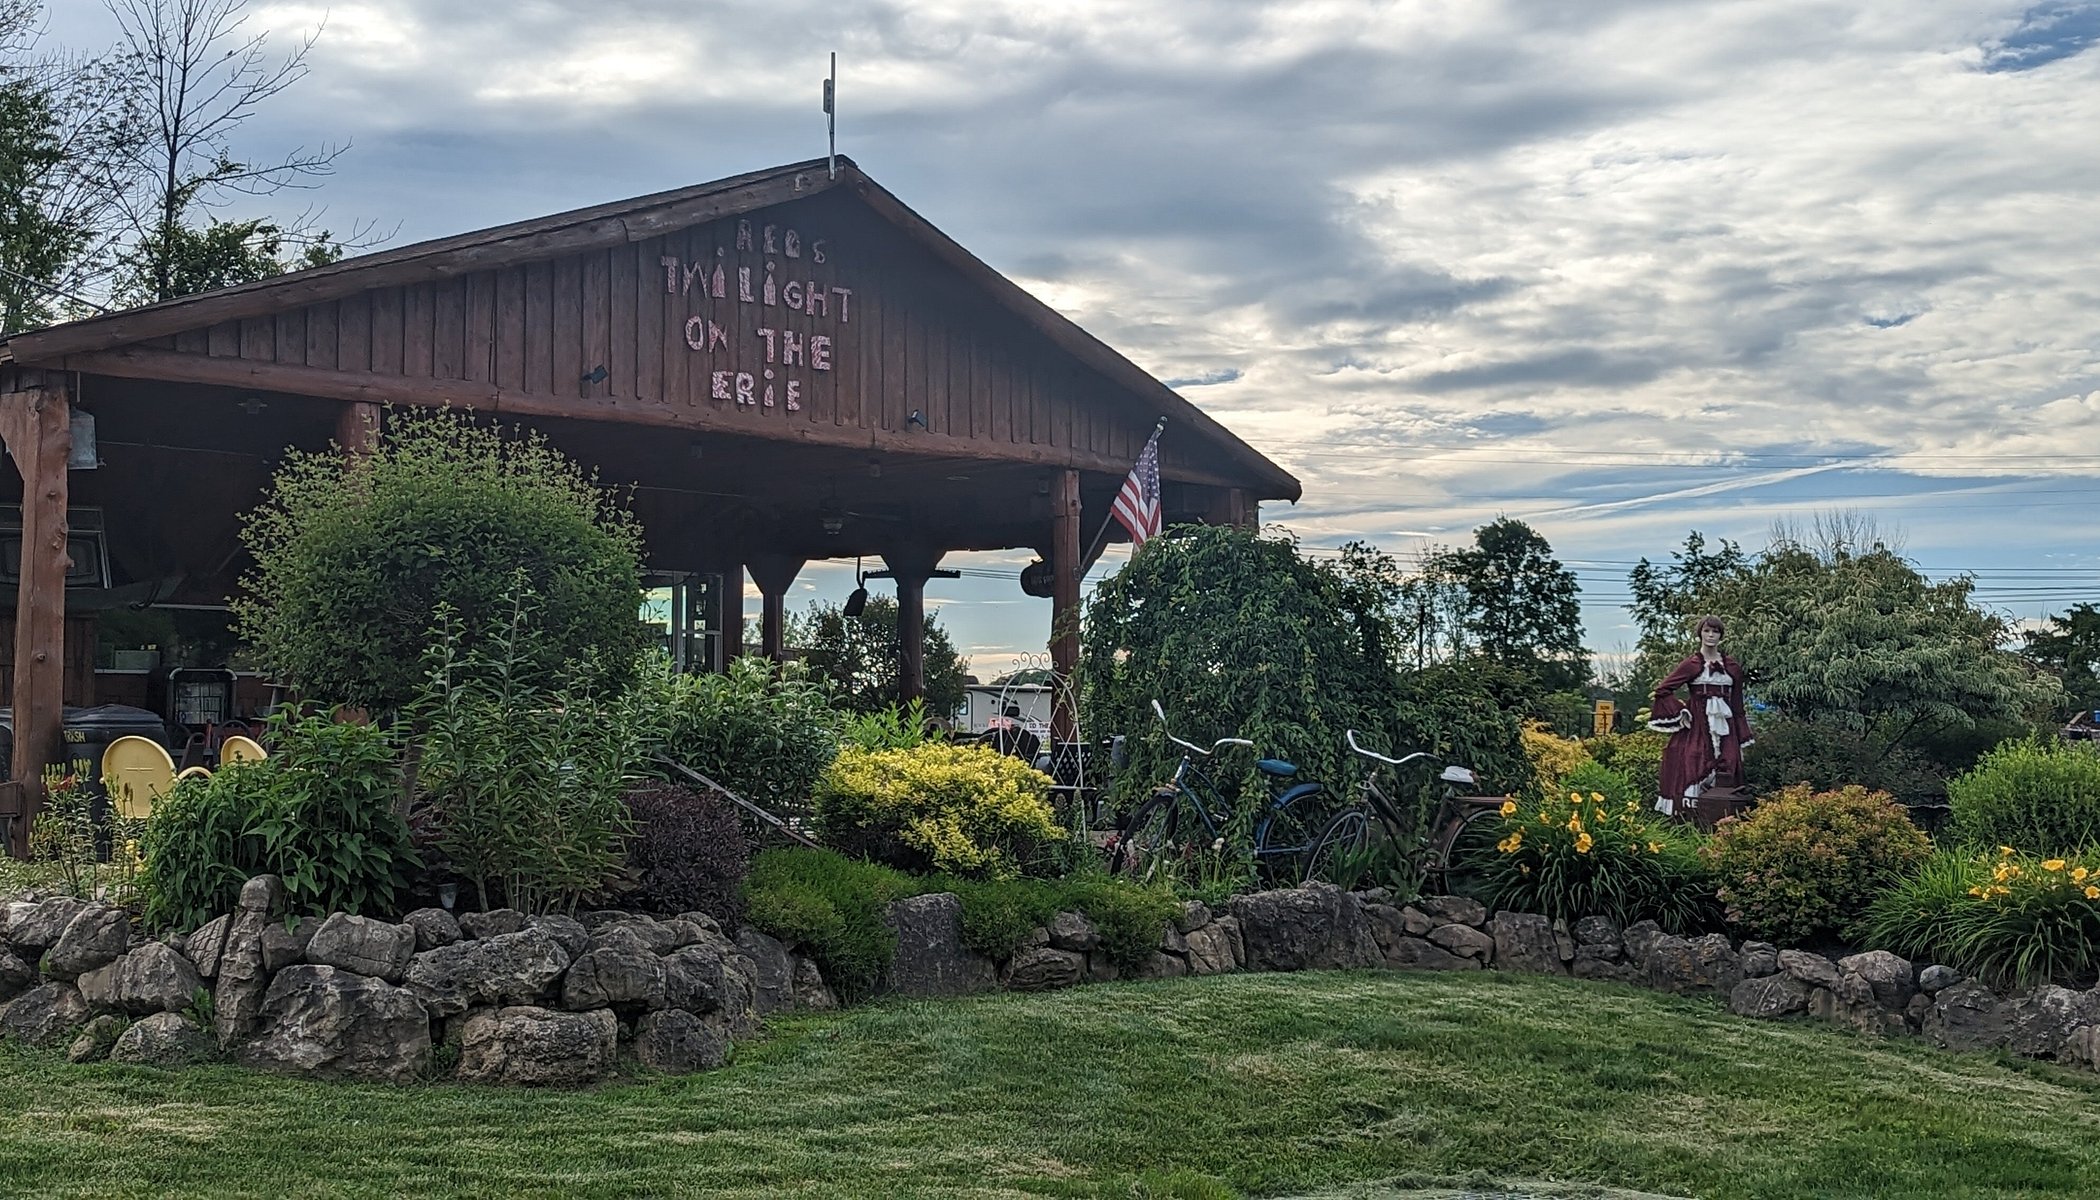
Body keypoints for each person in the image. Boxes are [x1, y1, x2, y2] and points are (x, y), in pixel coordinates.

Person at [1648, 615, 1754, 817]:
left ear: (1721, 635)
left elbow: (1738, 704)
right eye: (1707, 631)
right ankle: (1690, 817)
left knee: (1729, 761)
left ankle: (1722, 818)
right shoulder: (1692, 664)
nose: (1711, 635)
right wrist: (1681, 712)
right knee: (1693, 761)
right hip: (1698, 723)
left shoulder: (1732, 667)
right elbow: (1663, 690)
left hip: (1725, 724)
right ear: (1700, 634)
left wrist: (1742, 735)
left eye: (1715, 631)